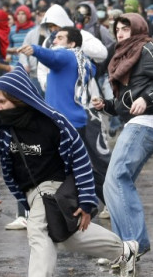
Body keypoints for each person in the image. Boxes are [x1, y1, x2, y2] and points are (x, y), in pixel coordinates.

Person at [0, 67, 139, 277]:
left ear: (19, 98)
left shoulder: (52, 120)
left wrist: (86, 200)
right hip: (30, 192)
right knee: (65, 237)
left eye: (2, 102)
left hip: (55, 186)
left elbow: (81, 159)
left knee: (37, 230)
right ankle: (122, 251)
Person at [91, 13, 153, 258]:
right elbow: (125, 103)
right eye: (117, 29)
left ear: (137, 29)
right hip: (136, 124)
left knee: (116, 179)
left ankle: (134, 243)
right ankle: (123, 248)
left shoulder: (145, 48)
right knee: (113, 186)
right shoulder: (125, 56)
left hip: (146, 124)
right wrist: (106, 105)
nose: (119, 33)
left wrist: (146, 98)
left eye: (125, 29)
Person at [18, 26, 111, 206]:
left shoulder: (67, 56)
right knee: (77, 168)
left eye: (60, 38)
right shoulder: (82, 60)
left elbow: (53, 56)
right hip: (72, 122)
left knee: (66, 168)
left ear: (72, 43)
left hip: (64, 124)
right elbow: (90, 68)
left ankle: (100, 201)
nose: (54, 40)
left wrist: (35, 50)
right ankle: (107, 200)